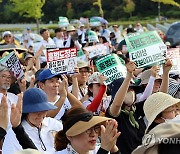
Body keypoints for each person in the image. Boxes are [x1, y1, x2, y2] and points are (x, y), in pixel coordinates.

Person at [2, 88, 63, 154]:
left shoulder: (55, 124)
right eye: (35, 111)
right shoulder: (13, 134)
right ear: (26, 112)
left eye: (44, 110)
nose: (40, 115)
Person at [54, 106, 121, 153]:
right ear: (70, 136)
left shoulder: (98, 149)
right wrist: (104, 149)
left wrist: (113, 148)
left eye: (96, 128)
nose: (93, 134)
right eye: (87, 129)